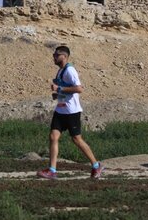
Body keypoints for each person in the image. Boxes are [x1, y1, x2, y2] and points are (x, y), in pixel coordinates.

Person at [37, 45, 103, 180]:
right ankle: (52, 170)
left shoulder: (70, 70)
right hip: (60, 110)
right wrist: (58, 95)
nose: (54, 57)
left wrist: (59, 88)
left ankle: (96, 165)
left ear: (64, 56)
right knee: (53, 137)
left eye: (56, 55)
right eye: (53, 55)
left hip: (71, 111)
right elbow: (66, 89)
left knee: (77, 139)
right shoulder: (60, 71)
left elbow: (79, 89)